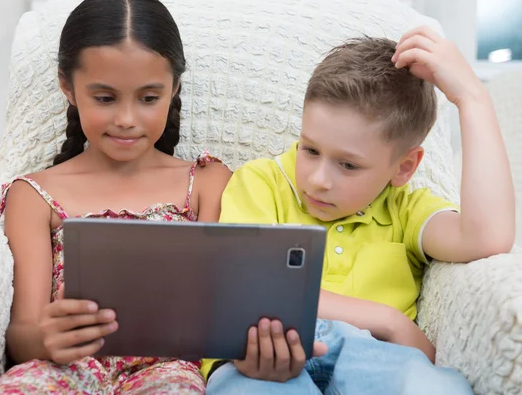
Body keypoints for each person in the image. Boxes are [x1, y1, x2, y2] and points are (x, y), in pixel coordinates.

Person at [205, 26, 514, 394]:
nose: (319, 180)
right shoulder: (262, 182)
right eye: (310, 150)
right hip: (262, 356)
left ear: (403, 168)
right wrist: (389, 320)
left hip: (374, 357)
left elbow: (489, 237)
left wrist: (472, 98)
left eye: (348, 166)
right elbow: (249, 289)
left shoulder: (406, 209)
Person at [0, 0, 231, 393]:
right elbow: (22, 332)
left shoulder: (206, 182)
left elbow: (225, 305)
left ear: (174, 88)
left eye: (149, 98)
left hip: (169, 370)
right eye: (105, 98)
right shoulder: (34, 194)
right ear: (68, 87)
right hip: (63, 367)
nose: (127, 120)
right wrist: (46, 338)